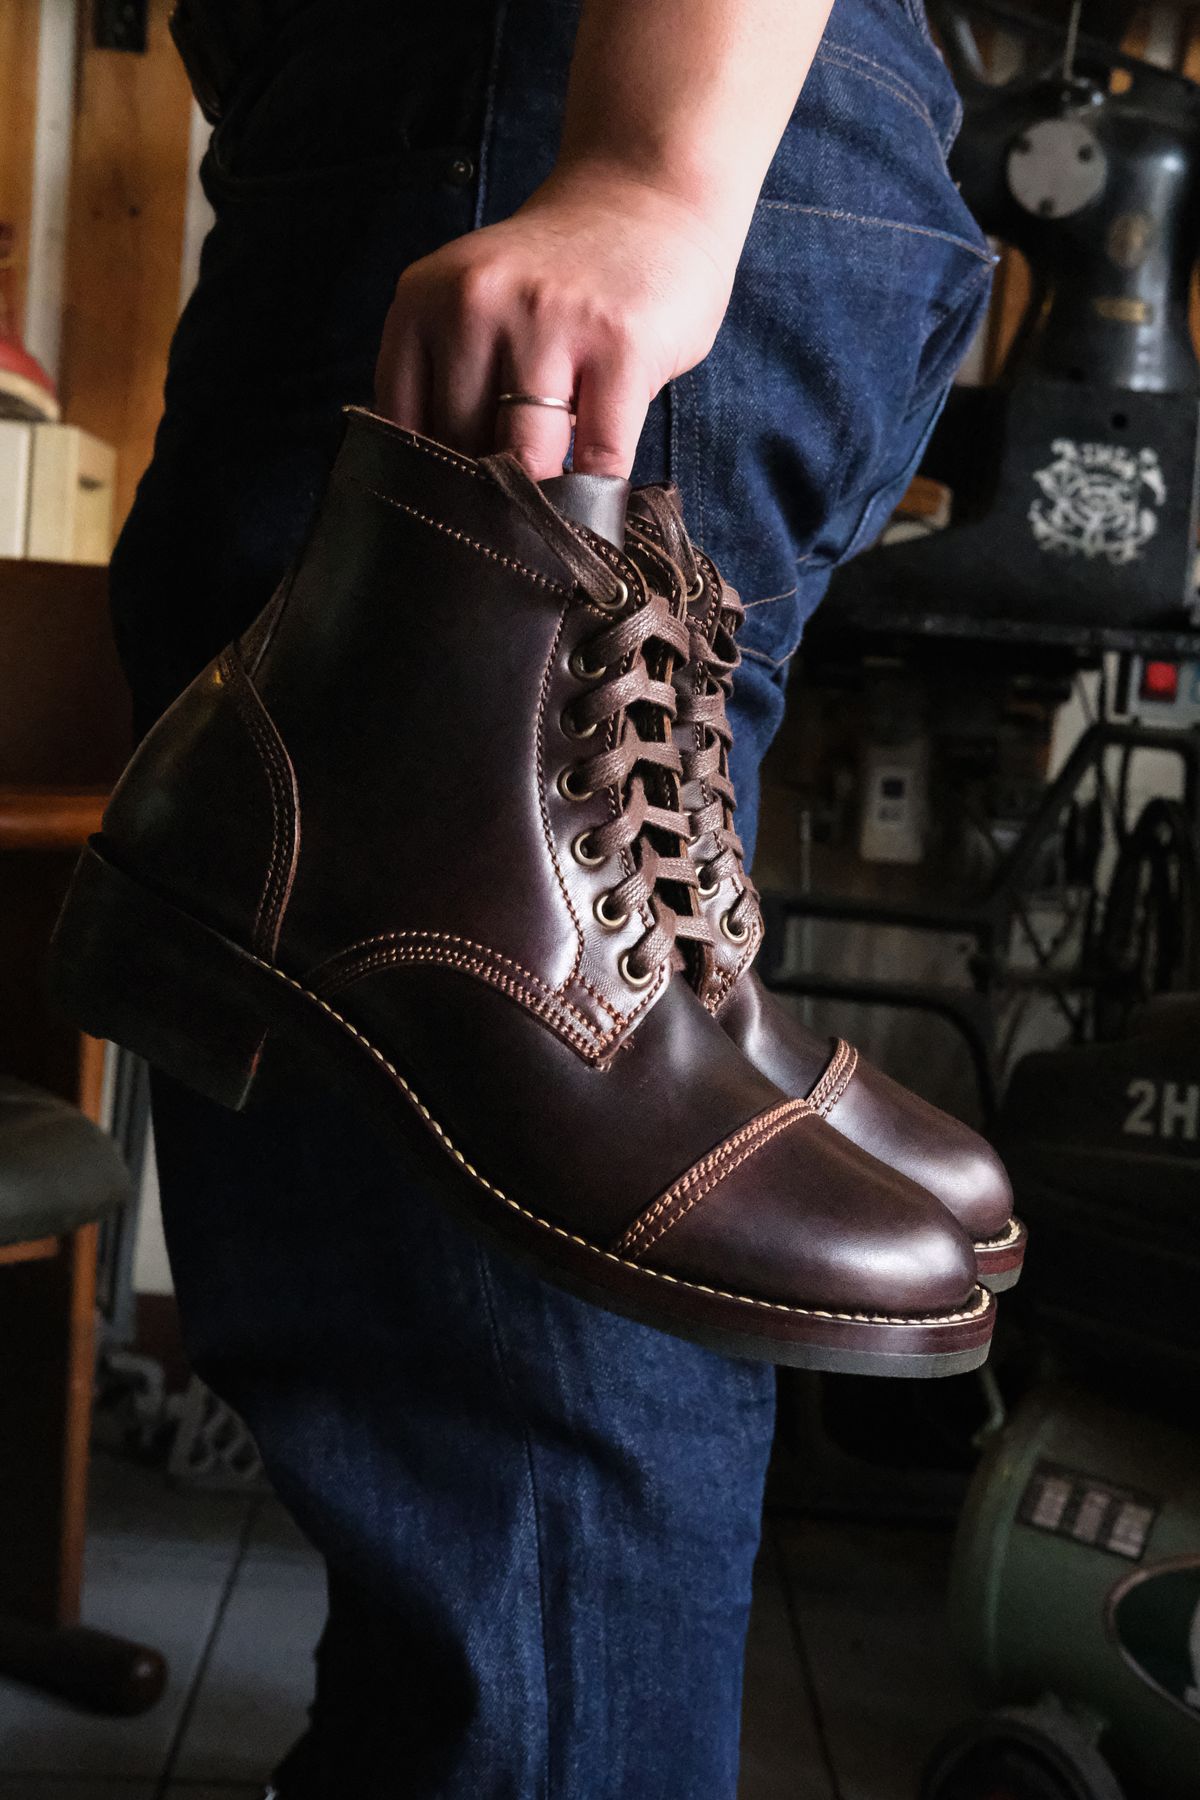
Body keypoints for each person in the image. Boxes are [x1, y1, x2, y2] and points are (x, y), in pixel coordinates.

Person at [115, 1, 994, 1792]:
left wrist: (647, 162)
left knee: (520, 1349)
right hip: (586, 111)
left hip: (548, 94)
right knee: (427, 1308)